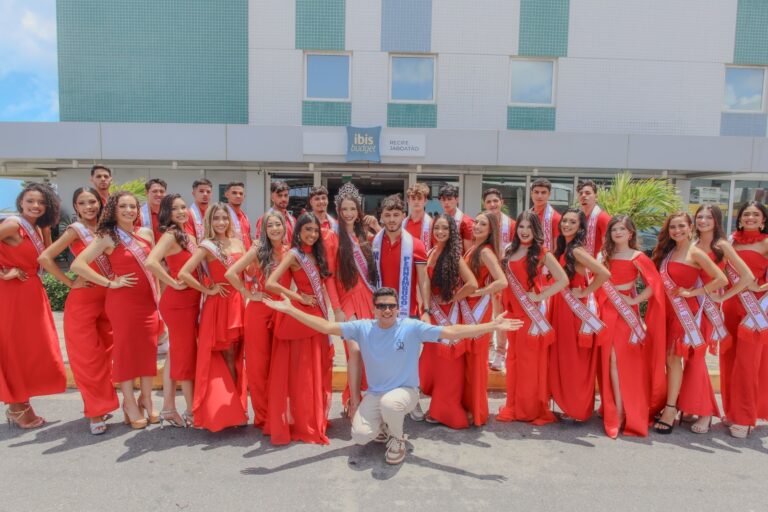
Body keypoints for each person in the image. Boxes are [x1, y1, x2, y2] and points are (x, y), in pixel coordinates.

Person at [262, 287, 524, 465]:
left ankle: (398, 440)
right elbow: (327, 326)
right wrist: (289, 310)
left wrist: (492, 325)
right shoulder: (362, 328)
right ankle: (386, 426)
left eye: (391, 306)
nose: (387, 310)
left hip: (405, 393)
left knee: (391, 404)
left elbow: (452, 332)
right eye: (381, 306)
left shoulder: (411, 327)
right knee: (361, 436)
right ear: (374, 309)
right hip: (375, 394)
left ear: (398, 307)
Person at [71, 191, 160, 430]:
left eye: (133, 206)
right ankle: (129, 403)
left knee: (149, 350)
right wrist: (110, 282)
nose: (129, 210)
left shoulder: (146, 234)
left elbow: (154, 268)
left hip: (148, 302)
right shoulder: (107, 237)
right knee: (126, 352)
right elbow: (77, 264)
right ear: (113, 209)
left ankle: (147, 399)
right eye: (123, 206)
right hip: (123, 303)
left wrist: (159, 298)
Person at [38, 187, 117, 435]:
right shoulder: (76, 231)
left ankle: (104, 403)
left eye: (92, 201)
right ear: (76, 207)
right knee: (87, 359)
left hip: (110, 299)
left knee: (106, 357)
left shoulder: (108, 230)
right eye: (82, 203)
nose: (89, 206)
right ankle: (94, 411)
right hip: (83, 302)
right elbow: (45, 258)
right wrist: (71, 282)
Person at [264, 212, 339, 444]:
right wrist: (298, 296)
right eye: (307, 230)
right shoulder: (294, 255)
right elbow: (270, 283)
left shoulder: (317, 254)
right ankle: (304, 423)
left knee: (316, 370)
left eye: (316, 231)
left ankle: (315, 418)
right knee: (303, 374)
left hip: (317, 315)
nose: (312, 234)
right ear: (298, 231)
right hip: (301, 316)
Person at [651, 212, 727, 434]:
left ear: (690, 227)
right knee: (669, 359)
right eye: (673, 227)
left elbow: (720, 279)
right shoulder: (670, 251)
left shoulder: (696, 252)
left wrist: (694, 291)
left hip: (685, 312)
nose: (677, 231)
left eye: (681, 226)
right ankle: (675, 404)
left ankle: (671, 409)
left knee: (674, 357)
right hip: (667, 311)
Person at [0, 183, 66, 429]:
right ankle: (18, 407)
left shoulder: (39, 228)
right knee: (14, 350)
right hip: (11, 294)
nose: (36, 206)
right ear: (21, 202)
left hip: (32, 293)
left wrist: (70, 283)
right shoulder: (13, 225)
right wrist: (2, 272)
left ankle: (19, 404)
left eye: (41, 202)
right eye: (30, 201)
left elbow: (46, 260)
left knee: (33, 350)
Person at [178, 203, 248, 432]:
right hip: (219, 304)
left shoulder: (238, 242)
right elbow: (184, 273)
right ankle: (231, 409)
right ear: (209, 221)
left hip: (238, 301)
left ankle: (237, 407)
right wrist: (207, 290)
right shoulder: (207, 246)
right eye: (216, 218)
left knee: (238, 355)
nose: (221, 222)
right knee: (227, 355)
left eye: (224, 218)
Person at [595, 215, 666, 438]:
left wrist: (635, 301)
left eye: (622, 229)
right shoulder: (604, 255)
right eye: (614, 229)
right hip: (605, 310)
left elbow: (655, 284)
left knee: (620, 359)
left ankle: (622, 409)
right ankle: (614, 406)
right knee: (608, 359)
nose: (617, 233)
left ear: (631, 233)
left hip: (625, 314)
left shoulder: (638, 256)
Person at [686, 205, 753, 434]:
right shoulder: (692, 244)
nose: (703, 220)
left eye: (708, 217)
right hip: (690, 306)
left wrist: (724, 296)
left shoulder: (722, 246)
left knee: (697, 358)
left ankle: (706, 412)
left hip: (708, 309)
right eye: (699, 217)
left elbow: (747, 277)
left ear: (717, 221)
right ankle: (691, 405)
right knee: (690, 357)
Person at [496, 211, 568, 425]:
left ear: (536, 230)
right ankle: (514, 405)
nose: (524, 231)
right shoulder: (510, 250)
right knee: (514, 360)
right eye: (521, 227)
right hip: (513, 313)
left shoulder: (541, 252)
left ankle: (529, 410)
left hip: (531, 314)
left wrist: (540, 295)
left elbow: (562, 279)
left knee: (529, 363)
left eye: (529, 227)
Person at [225, 210, 291, 428]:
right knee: (258, 365)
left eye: (278, 225)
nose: (274, 229)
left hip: (281, 310)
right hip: (259, 310)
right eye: (270, 225)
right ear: (264, 229)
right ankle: (262, 417)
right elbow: (231, 273)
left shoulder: (290, 251)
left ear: (284, 227)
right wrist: (248, 294)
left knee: (279, 365)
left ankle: (278, 413)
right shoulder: (258, 250)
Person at [371, 194, 431, 421]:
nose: (392, 219)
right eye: (387, 215)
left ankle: (412, 401)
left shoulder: (415, 244)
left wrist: (426, 309)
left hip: (407, 310)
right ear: (382, 217)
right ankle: (384, 400)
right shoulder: (374, 244)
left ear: (403, 216)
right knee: (384, 359)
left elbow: (423, 279)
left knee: (409, 360)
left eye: (396, 214)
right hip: (380, 311)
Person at [549, 208, 612, 422]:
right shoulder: (563, 248)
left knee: (575, 361)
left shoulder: (576, 250)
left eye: (572, 222)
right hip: (561, 307)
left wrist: (585, 291)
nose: (566, 224)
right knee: (566, 359)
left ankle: (577, 409)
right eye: (564, 220)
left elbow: (604, 274)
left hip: (574, 311)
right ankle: (570, 405)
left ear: (580, 227)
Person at [146, 194, 201, 428]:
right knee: (185, 356)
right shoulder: (170, 235)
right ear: (166, 213)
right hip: (178, 304)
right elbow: (151, 262)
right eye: (175, 208)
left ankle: (169, 406)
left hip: (191, 301)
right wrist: (173, 281)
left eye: (183, 207)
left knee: (176, 353)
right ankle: (190, 411)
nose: (181, 211)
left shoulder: (186, 234)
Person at [325, 183, 378, 417]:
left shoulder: (364, 236)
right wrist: (336, 308)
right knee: (354, 350)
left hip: (367, 298)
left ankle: (366, 397)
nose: (348, 213)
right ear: (338, 211)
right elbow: (328, 277)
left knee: (369, 351)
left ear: (359, 211)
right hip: (346, 300)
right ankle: (354, 401)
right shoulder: (331, 238)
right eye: (344, 209)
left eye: (352, 209)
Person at [421, 214, 478, 428]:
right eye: (437, 228)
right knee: (432, 365)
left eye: (445, 228)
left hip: (449, 316)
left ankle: (445, 410)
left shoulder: (455, 256)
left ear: (451, 232)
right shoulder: (431, 252)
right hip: (434, 315)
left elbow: (471, 284)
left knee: (449, 368)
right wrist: (426, 309)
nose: (440, 232)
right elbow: (425, 283)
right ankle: (437, 405)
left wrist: (453, 298)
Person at [721, 201, 768, 438]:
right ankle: (731, 410)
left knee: (748, 363)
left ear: (763, 220)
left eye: (755, 214)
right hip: (730, 305)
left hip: (755, 308)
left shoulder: (767, 242)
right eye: (746, 214)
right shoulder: (731, 241)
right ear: (739, 218)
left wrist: (761, 287)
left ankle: (745, 417)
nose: (750, 217)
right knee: (729, 357)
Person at [461, 212, 507, 426]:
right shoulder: (473, 248)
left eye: (483, 224)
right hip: (468, 308)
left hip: (478, 310)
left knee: (478, 362)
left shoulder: (486, 251)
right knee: (469, 361)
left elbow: (502, 281)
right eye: (476, 222)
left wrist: (480, 293)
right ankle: (470, 406)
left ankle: (478, 412)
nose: (477, 226)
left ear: (491, 230)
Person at [482, 188, 517, 372]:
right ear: (484, 204)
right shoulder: (482, 223)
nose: (493, 204)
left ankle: (501, 352)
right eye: (489, 202)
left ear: (501, 202)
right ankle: (484, 351)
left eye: (496, 201)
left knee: (500, 314)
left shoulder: (512, 225)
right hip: (484, 275)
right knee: (483, 313)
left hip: (506, 277)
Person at [576, 180, 611, 257]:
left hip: (597, 265)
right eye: (581, 193)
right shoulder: (577, 218)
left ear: (596, 197)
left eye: (588, 193)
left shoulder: (603, 218)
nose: (583, 195)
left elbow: (608, 248)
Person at [438, 184, 474, 252]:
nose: (446, 202)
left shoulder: (467, 222)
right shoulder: (437, 220)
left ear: (457, 200)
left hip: (459, 261)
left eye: (449, 199)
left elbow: (469, 252)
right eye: (443, 199)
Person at [529, 178, 561, 252]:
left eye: (543, 193)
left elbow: (557, 248)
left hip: (547, 261)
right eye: (536, 192)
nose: (539, 196)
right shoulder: (526, 216)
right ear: (531, 194)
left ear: (549, 194)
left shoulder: (556, 218)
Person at [403, 182, 434, 251]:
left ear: (425, 201)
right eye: (413, 198)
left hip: (425, 260)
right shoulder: (402, 224)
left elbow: (436, 249)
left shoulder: (431, 224)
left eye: (419, 198)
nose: (416, 202)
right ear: (408, 201)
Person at [224, 182, 252, 250]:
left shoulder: (245, 217)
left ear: (244, 197)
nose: (238, 196)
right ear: (226, 195)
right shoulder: (222, 215)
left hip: (246, 256)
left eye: (241, 194)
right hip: (231, 256)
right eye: (234, 193)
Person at [140, 178, 167, 243]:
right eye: (155, 191)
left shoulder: (170, 214)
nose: (159, 194)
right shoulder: (138, 215)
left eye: (162, 191)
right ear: (146, 193)